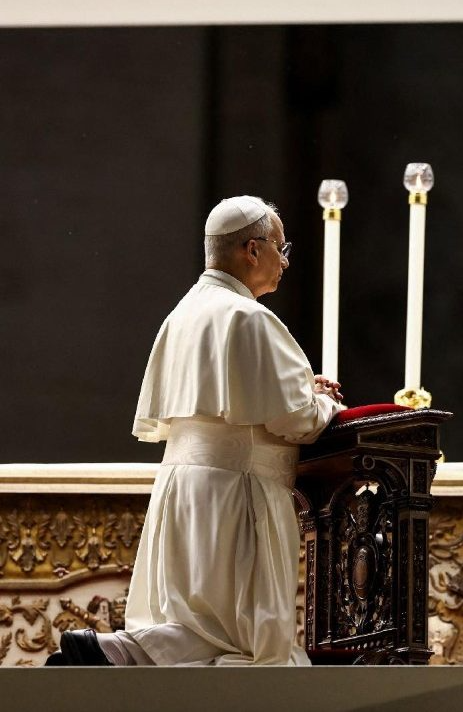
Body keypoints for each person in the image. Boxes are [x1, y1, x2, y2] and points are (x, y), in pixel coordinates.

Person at [52, 196, 343, 666]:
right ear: (253, 249)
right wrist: (325, 401)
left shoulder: (182, 314)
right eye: (281, 249)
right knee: (247, 638)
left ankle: (111, 652)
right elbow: (295, 420)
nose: (284, 262)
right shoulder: (248, 317)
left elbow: (238, 394)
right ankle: (116, 654)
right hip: (237, 494)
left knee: (200, 626)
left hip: (181, 489)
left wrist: (297, 387)